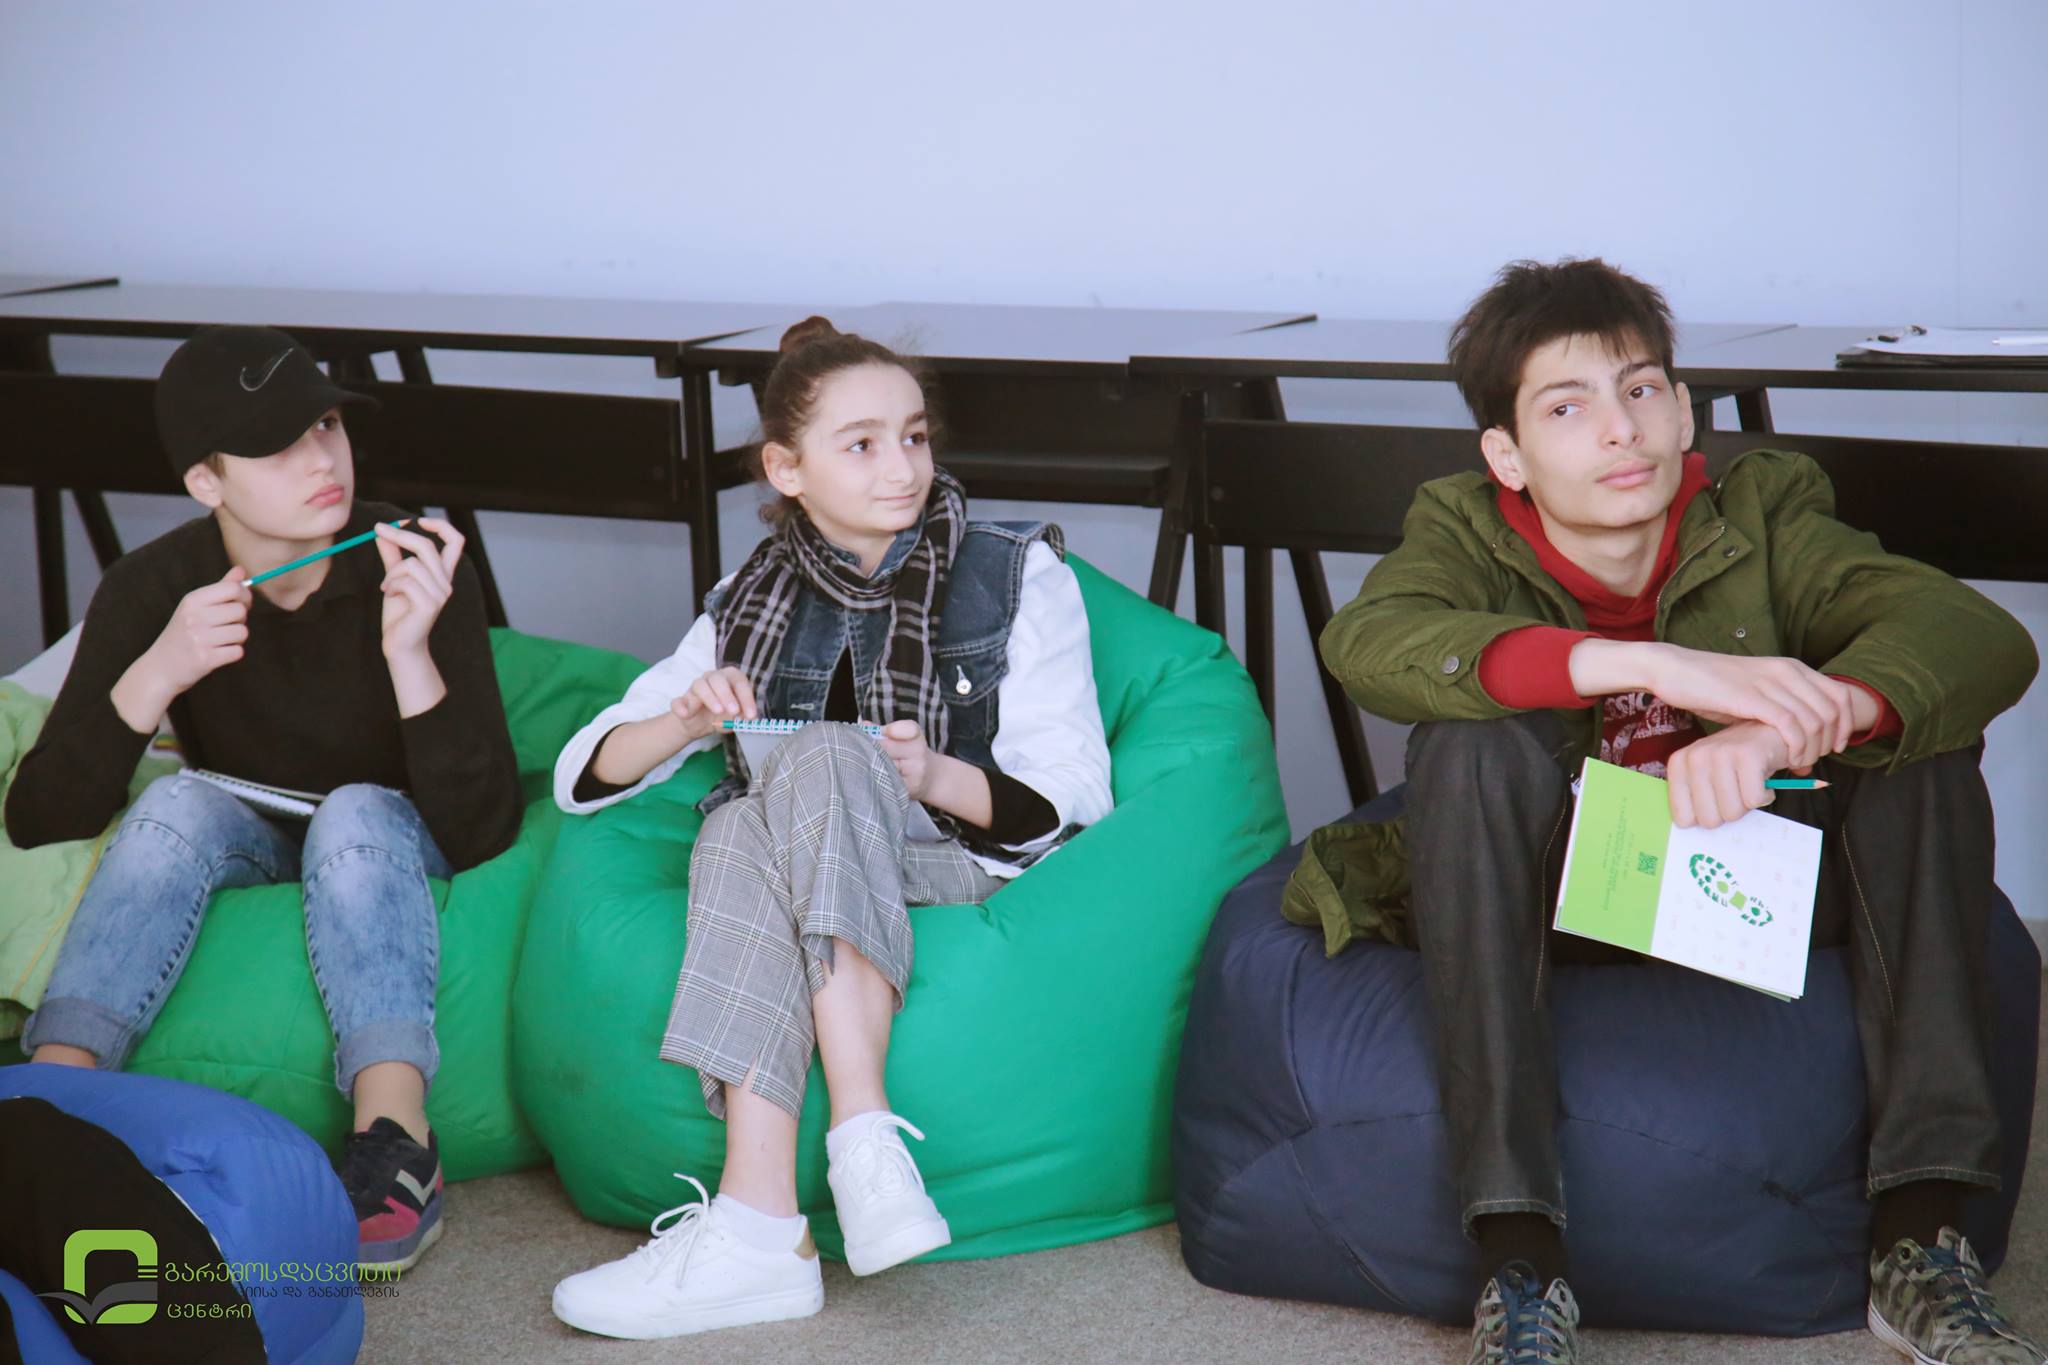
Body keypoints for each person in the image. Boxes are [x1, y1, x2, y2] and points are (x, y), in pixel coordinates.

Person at [1300, 259, 2042, 1363]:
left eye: (1641, 390)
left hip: (1757, 886)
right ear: (1507, 456)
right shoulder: (1460, 527)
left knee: (1919, 745)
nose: (1620, 430)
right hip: (1562, 899)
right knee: (1465, 750)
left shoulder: (1760, 512)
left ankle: (1918, 1241)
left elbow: (1975, 635)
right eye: (1568, 407)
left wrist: (1786, 727)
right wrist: (1648, 664)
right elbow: (1369, 643)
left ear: (1684, 411)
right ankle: (1519, 1264)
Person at [547, 317, 1113, 1339]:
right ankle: (765, 1219)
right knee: (738, 826)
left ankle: (853, 1136)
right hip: (803, 855)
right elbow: (583, 775)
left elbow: (1074, 799)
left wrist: (931, 773)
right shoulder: (746, 600)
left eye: (913, 436)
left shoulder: (1013, 574)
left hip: (954, 860)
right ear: (786, 468)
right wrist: (684, 720)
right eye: (861, 444)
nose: (901, 467)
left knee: (817, 761)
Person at [6, 325, 521, 1272]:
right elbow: (40, 817)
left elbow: (484, 829)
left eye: (326, 425)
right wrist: (156, 673)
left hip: (390, 833)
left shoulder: (410, 557)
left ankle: (397, 1143)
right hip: (253, 828)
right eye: (277, 446)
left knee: (356, 807)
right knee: (175, 806)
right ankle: (48, 1103)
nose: (322, 459)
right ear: (206, 482)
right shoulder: (153, 586)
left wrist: (411, 653)